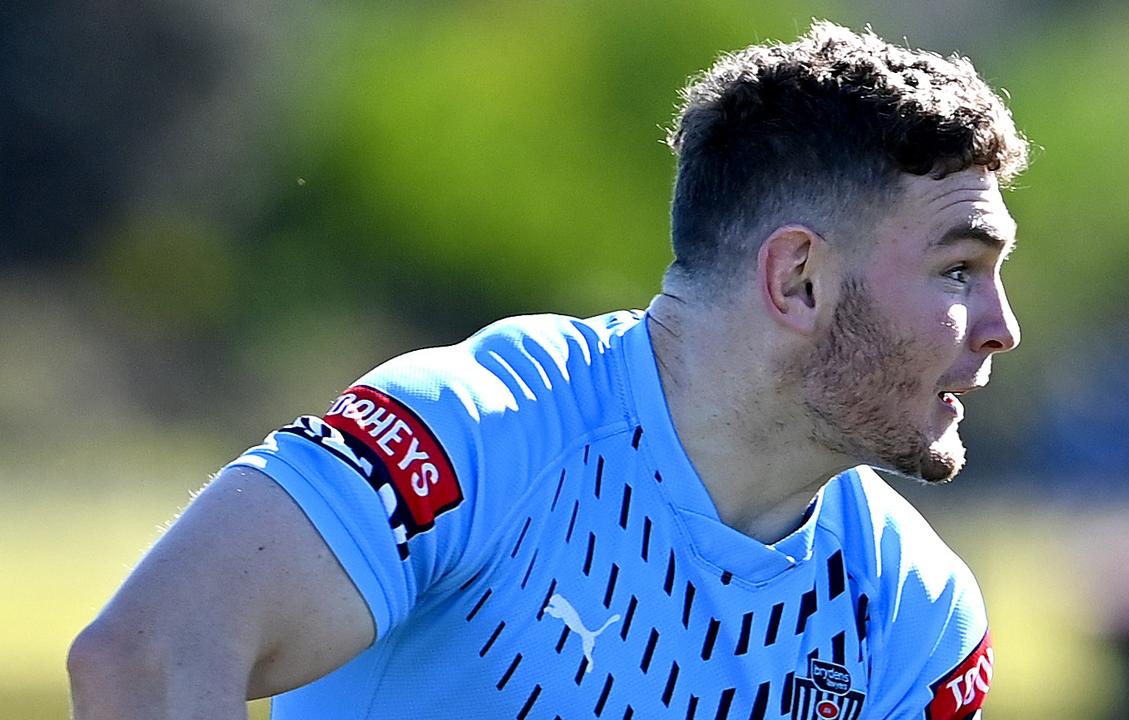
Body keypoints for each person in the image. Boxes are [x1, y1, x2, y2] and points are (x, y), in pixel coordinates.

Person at [69, 21, 1026, 720]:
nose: (1001, 327)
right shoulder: (474, 428)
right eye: (957, 271)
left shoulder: (916, 612)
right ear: (798, 278)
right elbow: (144, 660)